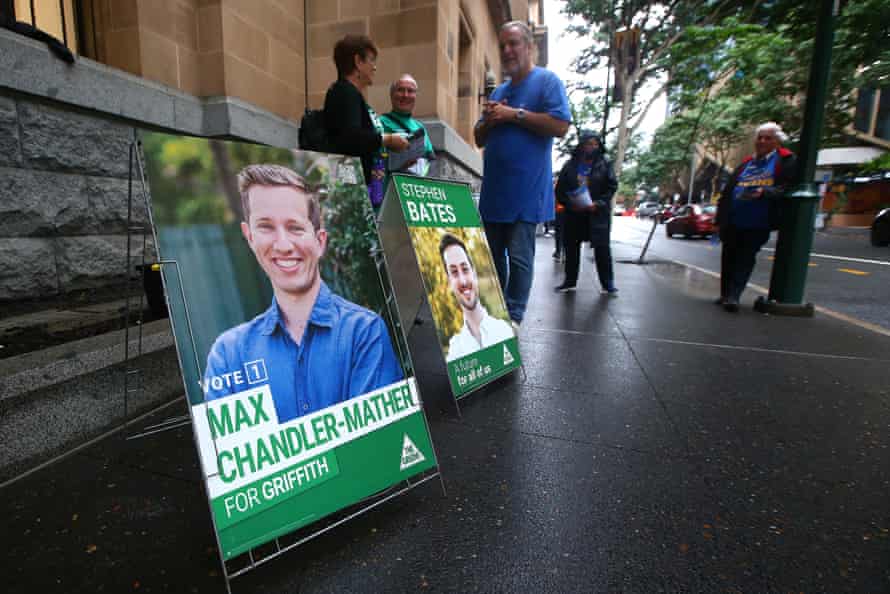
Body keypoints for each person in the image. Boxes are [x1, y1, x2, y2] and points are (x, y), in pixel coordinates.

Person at [203, 164, 404, 422]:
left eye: (295, 227)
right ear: (249, 237)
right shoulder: (228, 356)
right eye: (265, 226)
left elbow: (378, 444)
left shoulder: (364, 333)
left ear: (320, 241)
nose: (284, 245)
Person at [474, 21, 571, 328]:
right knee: (491, 259)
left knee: (519, 258)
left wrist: (513, 114)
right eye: (502, 45)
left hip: (526, 192)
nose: (506, 50)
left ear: (530, 47)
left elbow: (560, 125)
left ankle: (514, 317)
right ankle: (497, 311)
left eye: (513, 43)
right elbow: (478, 138)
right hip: (494, 193)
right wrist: (490, 119)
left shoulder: (547, 82)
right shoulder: (500, 91)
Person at [716, 122, 798, 312]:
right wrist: (719, 220)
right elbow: (728, 192)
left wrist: (765, 192)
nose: (762, 141)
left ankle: (734, 296)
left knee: (745, 257)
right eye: (759, 137)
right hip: (734, 219)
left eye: (767, 138)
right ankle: (725, 294)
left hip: (758, 221)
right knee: (728, 256)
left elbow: (788, 188)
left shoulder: (786, 160)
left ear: (777, 141)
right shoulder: (746, 163)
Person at [323, 34, 409, 209]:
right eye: (371, 60)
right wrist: (388, 139)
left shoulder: (343, 92)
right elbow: (351, 137)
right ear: (358, 62)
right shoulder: (347, 93)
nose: (374, 67)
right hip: (347, 186)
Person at [553, 132, 618, 294]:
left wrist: (599, 204)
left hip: (597, 215)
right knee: (571, 248)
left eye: (595, 144)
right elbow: (560, 189)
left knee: (602, 250)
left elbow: (611, 187)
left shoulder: (605, 164)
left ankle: (607, 284)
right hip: (574, 214)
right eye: (588, 144)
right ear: (581, 145)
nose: (592, 147)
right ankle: (569, 282)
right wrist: (570, 204)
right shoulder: (570, 165)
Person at [439, 233, 514, 362]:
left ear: (474, 272)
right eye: (454, 272)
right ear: (449, 281)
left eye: (465, 269)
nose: (463, 281)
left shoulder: (504, 331)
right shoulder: (455, 352)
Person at [379, 74, 436, 176]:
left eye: (410, 91)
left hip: (414, 187)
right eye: (400, 90)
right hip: (389, 186)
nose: (405, 95)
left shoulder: (420, 127)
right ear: (392, 95)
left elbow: (430, 160)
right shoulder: (380, 122)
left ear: (415, 96)